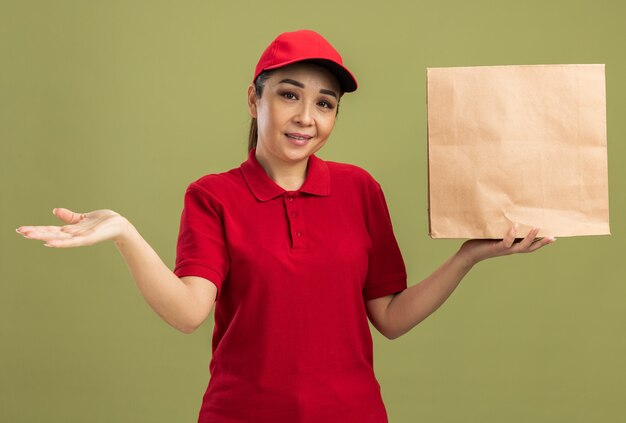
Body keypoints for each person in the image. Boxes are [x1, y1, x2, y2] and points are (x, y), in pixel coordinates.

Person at [15, 29, 555, 423]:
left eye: (325, 103)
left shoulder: (359, 189)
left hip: (354, 415)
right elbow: (187, 313)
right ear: (255, 99)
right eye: (289, 94)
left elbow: (389, 318)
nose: (307, 117)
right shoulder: (213, 195)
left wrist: (467, 255)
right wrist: (126, 233)